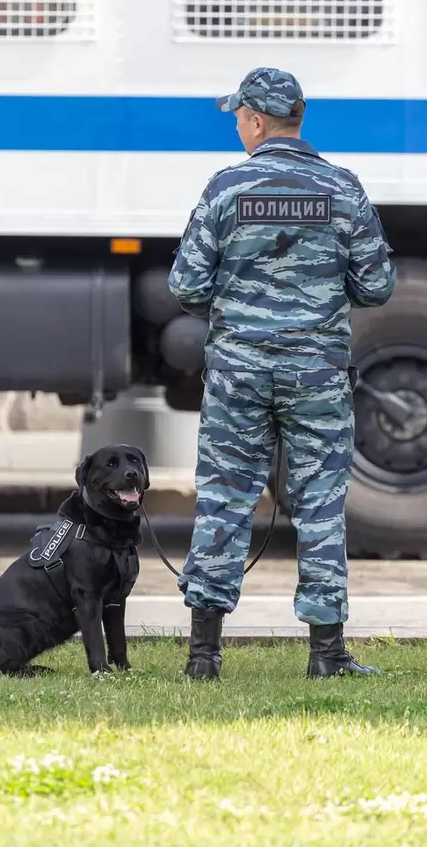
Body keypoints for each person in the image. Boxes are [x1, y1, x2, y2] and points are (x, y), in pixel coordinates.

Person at [167, 67, 397, 679]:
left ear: (258, 121)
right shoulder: (341, 188)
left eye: (239, 118)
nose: (238, 128)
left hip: (238, 373)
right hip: (315, 374)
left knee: (223, 500)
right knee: (321, 504)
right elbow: (377, 285)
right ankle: (327, 654)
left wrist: (234, 303)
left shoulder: (225, 188)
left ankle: (203, 658)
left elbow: (185, 284)